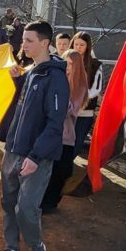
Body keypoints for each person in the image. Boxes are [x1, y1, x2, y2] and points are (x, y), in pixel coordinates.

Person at [0, 21, 69, 251]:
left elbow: (54, 123)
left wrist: (36, 156)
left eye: (28, 40)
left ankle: (37, 248)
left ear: (45, 43)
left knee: (26, 207)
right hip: (14, 148)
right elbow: (25, 108)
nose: (22, 45)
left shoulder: (55, 77)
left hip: (36, 155)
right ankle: (12, 250)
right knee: (8, 201)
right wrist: (18, 84)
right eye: (23, 39)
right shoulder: (32, 71)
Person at [40, 48, 89, 212]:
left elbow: (69, 109)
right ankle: (41, 201)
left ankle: (50, 203)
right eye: (64, 63)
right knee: (45, 171)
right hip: (49, 133)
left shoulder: (79, 86)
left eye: (70, 65)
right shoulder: (55, 79)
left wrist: (56, 96)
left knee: (60, 173)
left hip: (65, 137)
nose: (66, 67)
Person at [70, 31, 103, 153]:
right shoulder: (67, 60)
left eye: (81, 45)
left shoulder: (95, 65)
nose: (78, 48)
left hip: (84, 112)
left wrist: (80, 99)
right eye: (76, 44)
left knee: (76, 144)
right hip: (67, 112)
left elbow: (97, 88)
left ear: (87, 46)